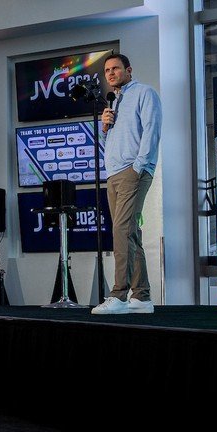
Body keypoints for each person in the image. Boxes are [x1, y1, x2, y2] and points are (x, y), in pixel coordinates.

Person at [92, 51, 162, 315]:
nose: (110, 73)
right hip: (114, 174)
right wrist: (104, 126)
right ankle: (142, 297)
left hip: (133, 171)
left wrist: (139, 166)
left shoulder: (144, 93)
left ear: (129, 70)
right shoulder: (114, 103)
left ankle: (119, 295)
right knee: (131, 233)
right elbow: (110, 144)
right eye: (107, 70)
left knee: (121, 231)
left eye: (116, 68)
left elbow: (152, 129)